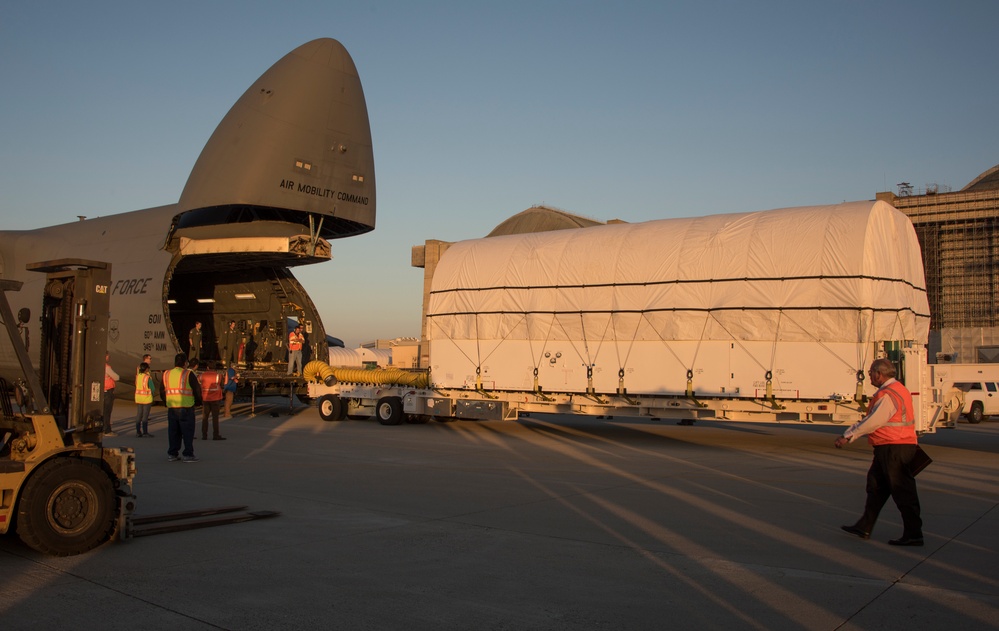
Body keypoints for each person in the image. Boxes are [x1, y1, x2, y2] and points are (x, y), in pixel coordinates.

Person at [835, 358, 924, 546]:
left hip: (894, 448)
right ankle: (864, 526)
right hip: (890, 447)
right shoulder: (898, 389)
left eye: (870, 373)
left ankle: (914, 533)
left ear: (879, 374)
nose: (869, 377)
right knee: (875, 486)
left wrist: (848, 435)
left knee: (902, 491)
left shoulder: (887, 395)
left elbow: (874, 421)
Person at [163, 353, 203, 463]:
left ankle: (172, 454)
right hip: (186, 407)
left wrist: (166, 402)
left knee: (173, 432)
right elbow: (196, 390)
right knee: (187, 432)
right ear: (185, 363)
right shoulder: (188, 374)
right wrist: (199, 402)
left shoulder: (167, 374)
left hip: (172, 407)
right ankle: (188, 454)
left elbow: (162, 390)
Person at [199, 361, 226, 440]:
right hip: (215, 399)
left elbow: (199, 385)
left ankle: (204, 435)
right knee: (215, 418)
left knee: (205, 418)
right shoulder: (218, 376)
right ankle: (215, 435)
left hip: (205, 399)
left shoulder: (201, 376)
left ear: (207, 367)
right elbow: (222, 385)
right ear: (215, 368)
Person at [134, 362, 156, 437]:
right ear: (146, 369)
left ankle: (138, 431)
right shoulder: (147, 377)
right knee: (145, 417)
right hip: (146, 398)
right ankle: (145, 432)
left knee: (139, 415)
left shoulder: (138, 376)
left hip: (139, 398)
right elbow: (152, 388)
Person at [103, 352, 120, 436]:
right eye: (108, 356)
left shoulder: (98, 366)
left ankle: (102, 428)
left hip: (102, 391)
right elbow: (116, 377)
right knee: (107, 412)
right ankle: (107, 430)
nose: (109, 357)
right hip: (108, 392)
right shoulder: (106, 368)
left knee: (103, 412)